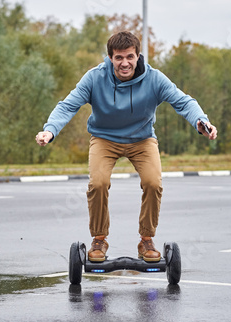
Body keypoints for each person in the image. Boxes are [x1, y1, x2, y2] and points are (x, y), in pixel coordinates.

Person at [35, 31, 217, 263]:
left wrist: (201, 121)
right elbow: (67, 106)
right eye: (119, 58)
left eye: (130, 57)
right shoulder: (94, 78)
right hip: (104, 138)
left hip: (142, 139)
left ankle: (146, 240)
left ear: (138, 56)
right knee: (98, 183)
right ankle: (99, 239)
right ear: (110, 58)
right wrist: (50, 130)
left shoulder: (154, 79)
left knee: (153, 182)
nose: (125, 63)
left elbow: (183, 102)